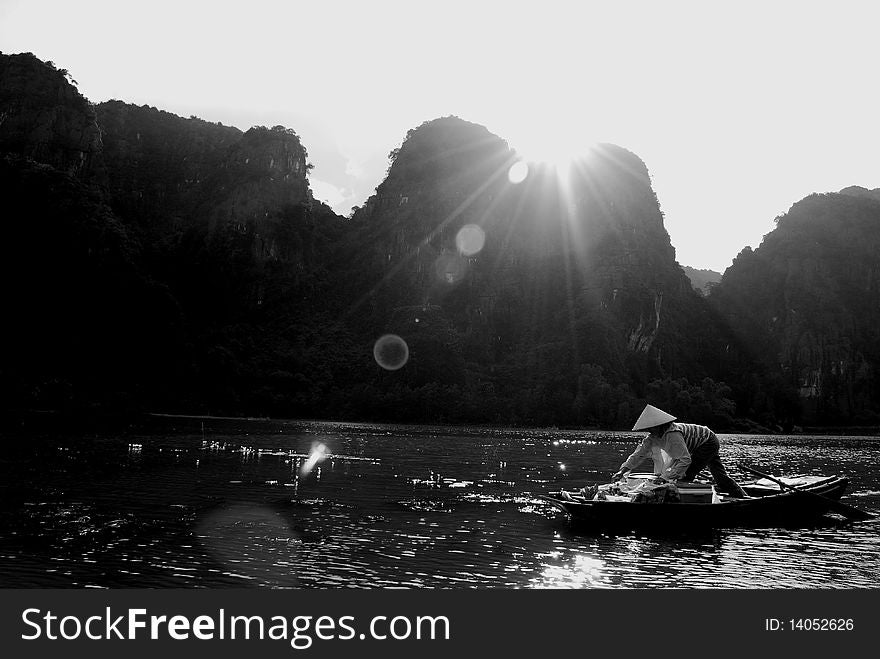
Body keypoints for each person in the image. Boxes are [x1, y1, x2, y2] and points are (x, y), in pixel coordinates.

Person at [611, 404, 748, 498]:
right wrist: (622, 471)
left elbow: (685, 460)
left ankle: (687, 500)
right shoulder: (652, 438)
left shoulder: (672, 434)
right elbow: (638, 454)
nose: (650, 431)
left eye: (652, 428)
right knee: (720, 477)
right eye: (648, 429)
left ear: (660, 426)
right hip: (701, 442)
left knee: (686, 474)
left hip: (707, 441)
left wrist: (666, 478)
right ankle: (743, 496)